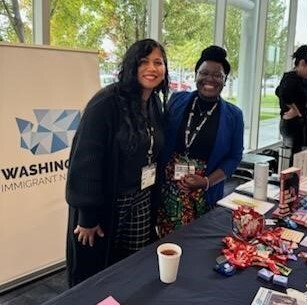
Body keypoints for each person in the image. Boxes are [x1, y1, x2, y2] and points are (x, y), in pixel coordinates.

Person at [65, 38, 169, 287]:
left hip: (141, 198)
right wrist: (87, 216)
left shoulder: (154, 102)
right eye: (144, 62)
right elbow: (85, 160)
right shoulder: (106, 103)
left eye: (158, 62)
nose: (151, 68)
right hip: (107, 204)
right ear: (131, 66)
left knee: (131, 266)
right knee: (96, 273)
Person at [158, 45, 244, 237]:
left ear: (224, 80)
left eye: (217, 75)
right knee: (165, 242)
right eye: (204, 73)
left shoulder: (234, 115)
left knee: (198, 242)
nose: (210, 79)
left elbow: (234, 157)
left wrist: (206, 182)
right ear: (196, 74)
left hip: (205, 193)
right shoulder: (177, 100)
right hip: (168, 189)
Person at [275, 45, 307, 164]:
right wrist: (295, 110)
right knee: (295, 159)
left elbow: (278, 91)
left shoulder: (300, 79)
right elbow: (284, 93)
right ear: (302, 63)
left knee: (298, 157)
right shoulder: (291, 78)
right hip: (292, 125)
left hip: (298, 125)